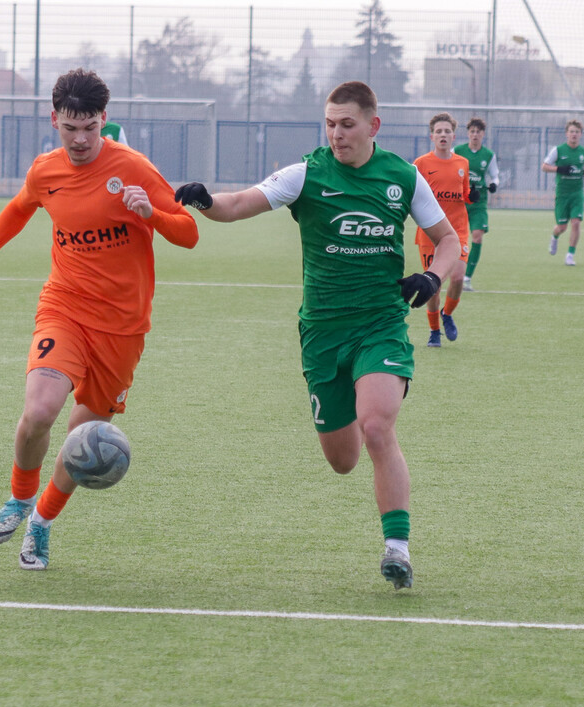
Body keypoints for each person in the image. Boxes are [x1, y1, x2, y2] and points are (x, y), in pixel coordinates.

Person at [174, 81, 460, 590]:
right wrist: (205, 201)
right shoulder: (306, 173)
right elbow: (240, 203)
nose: (336, 134)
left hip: (380, 326)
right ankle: (347, 422)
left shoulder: (403, 177)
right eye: (329, 123)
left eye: (346, 124)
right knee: (343, 461)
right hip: (323, 334)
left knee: (377, 426)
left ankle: (398, 548)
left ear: (374, 125)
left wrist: (433, 276)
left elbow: (448, 240)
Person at [0, 68, 198, 571]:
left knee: (81, 439)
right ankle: (20, 498)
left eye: (90, 128)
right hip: (64, 307)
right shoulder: (46, 171)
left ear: (104, 120)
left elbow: (188, 232)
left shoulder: (133, 168)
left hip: (123, 328)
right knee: (39, 411)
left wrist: (149, 212)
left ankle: (41, 520)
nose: (81, 139)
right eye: (71, 128)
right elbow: (19, 210)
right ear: (54, 120)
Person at [414, 113, 476, 348]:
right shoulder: (421, 164)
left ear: (453, 136)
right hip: (430, 233)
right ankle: (434, 331)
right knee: (434, 286)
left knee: (458, 277)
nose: (443, 135)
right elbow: (413, 193)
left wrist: (472, 196)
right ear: (432, 136)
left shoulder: (462, 163)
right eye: (438, 131)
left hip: (457, 230)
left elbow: (466, 193)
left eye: (447, 131)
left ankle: (447, 314)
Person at [453, 117, 499, 291]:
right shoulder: (457, 151)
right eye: (472, 131)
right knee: (455, 239)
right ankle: (451, 270)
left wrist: (494, 184)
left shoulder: (488, 155)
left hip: (479, 203)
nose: (475, 135)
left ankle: (467, 277)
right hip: (459, 202)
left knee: (477, 236)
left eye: (478, 132)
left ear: (483, 135)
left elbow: (494, 175)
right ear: (468, 133)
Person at [542, 120, 584, 265]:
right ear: (567, 134)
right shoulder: (558, 150)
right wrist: (559, 169)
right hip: (562, 194)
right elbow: (544, 166)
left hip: (577, 193)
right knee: (562, 227)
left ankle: (570, 255)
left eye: (577, 132)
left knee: (576, 223)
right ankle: (554, 236)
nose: (574, 134)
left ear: (580, 135)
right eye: (571, 131)